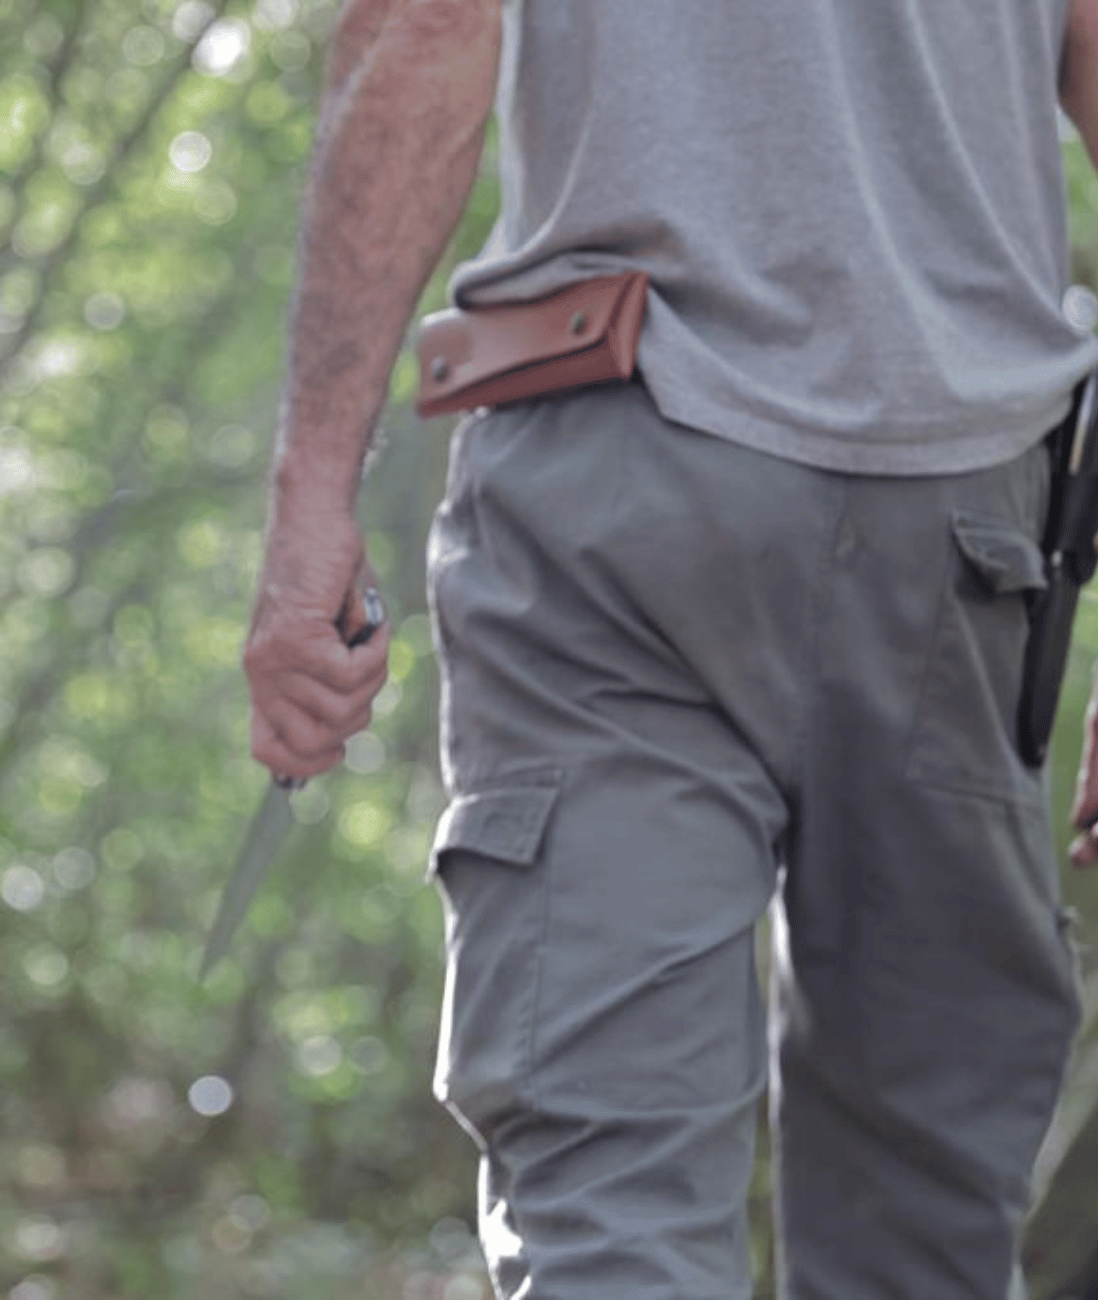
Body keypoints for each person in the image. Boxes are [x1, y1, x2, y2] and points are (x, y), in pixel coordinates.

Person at [241, 0, 1098, 1295]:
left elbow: (425, 22)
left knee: (609, 1209)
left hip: (616, 491)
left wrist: (313, 493)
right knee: (923, 1230)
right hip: (965, 513)